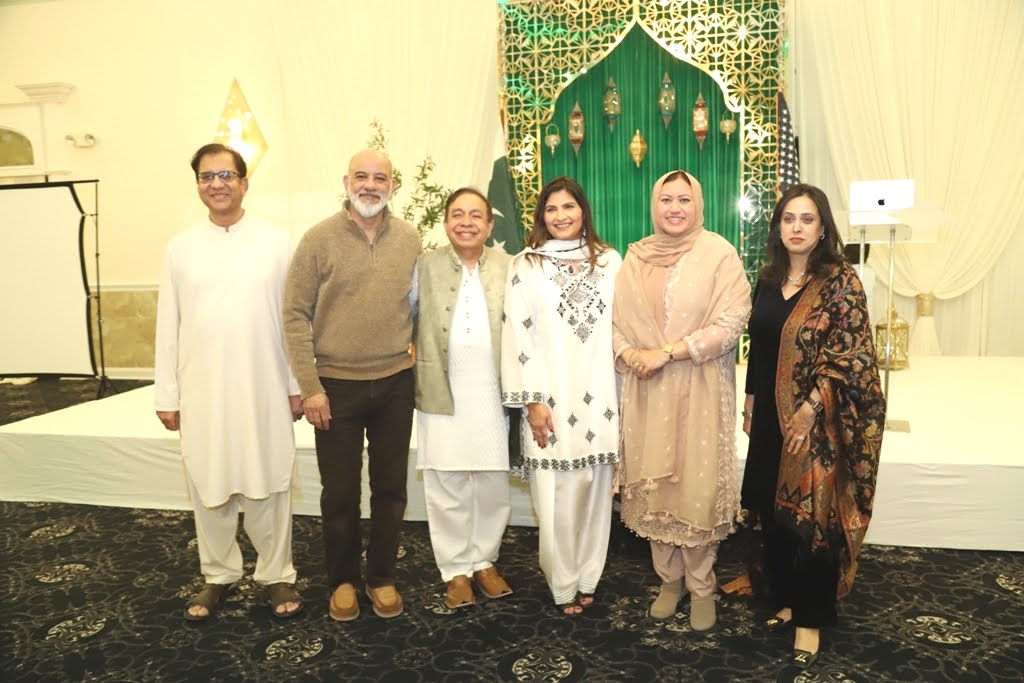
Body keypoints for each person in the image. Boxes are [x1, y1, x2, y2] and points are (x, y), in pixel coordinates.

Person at [154, 143, 304, 621]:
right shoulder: (180, 248)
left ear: (244, 182)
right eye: (207, 176)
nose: (217, 184)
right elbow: (168, 326)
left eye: (226, 175)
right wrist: (167, 393)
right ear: (198, 185)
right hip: (203, 388)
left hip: (263, 383)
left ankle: (277, 573)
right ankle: (217, 574)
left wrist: (296, 384)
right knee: (209, 479)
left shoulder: (277, 242)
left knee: (269, 478)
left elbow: (293, 321)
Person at [741, 183, 885, 670]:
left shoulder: (841, 282)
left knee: (813, 518)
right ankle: (786, 597)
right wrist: (750, 402)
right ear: (777, 227)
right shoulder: (768, 279)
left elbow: (853, 356)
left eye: (807, 219)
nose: (797, 227)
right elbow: (759, 349)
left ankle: (811, 617)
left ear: (823, 227)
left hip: (818, 423)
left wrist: (810, 407)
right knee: (773, 508)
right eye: (788, 219)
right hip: (769, 417)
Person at [283, 149, 421, 621]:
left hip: (395, 383)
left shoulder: (410, 238)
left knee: (391, 489)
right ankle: (342, 579)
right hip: (335, 388)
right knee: (339, 493)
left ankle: (381, 576)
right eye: (361, 176)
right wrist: (310, 386)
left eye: (380, 178)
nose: (370, 185)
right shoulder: (317, 239)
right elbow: (294, 315)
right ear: (346, 182)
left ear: (393, 186)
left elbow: (418, 310)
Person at [612, 170, 751, 631]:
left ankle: (702, 585)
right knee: (656, 485)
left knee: (696, 484)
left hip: (700, 388)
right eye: (666, 199)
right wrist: (630, 354)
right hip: (647, 390)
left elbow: (732, 322)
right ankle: (669, 581)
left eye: (684, 199)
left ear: (699, 205)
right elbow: (613, 321)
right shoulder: (636, 257)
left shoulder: (719, 254)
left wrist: (668, 352)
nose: (674, 208)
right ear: (654, 205)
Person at [501, 176, 621, 616]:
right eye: (551, 209)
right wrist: (532, 402)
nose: (561, 215)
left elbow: (624, 325)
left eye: (568, 206)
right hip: (550, 399)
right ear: (541, 217)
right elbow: (518, 336)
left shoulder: (609, 262)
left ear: (583, 211)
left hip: (602, 395)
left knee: (595, 490)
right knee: (556, 497)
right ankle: (562, 582)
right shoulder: (526, 265)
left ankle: (589, 577)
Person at [412, 188, 514, 610]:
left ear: (490, 225)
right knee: (446, 483)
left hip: (493, 391)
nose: (466, 222)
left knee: (492, 482)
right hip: (441, 388)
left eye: (476, 215)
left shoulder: (510, 266)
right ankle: (455, 569)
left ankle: (484, 561)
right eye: (457, 214)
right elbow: (403, 317)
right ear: (446, 223)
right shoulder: (424, 266)